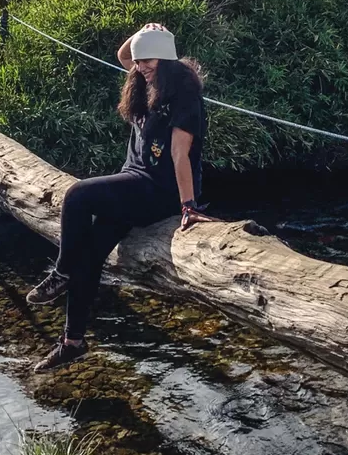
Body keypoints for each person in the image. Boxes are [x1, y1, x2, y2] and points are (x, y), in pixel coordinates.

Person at [26, 22, 211, 372]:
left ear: (167, 60)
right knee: (92, 253)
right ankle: (73, 341)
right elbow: (124, 54)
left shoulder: (184, 94)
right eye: (140, 62)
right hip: (134, 181)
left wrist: (189, 206)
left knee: (77, 196)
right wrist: (143, 32)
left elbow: (179, 155)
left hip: (160, 191)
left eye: (148, 61)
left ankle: (62, 272)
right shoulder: (146, 78)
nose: (140, 67)